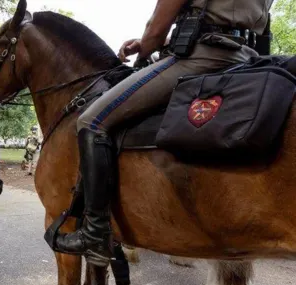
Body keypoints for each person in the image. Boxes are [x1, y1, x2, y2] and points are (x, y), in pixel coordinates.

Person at [52, 0, 271, 267]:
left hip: (203, 57)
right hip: (248, 57)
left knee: (91, 120)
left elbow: (155, 30)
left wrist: (146, 45)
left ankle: (94, 233)